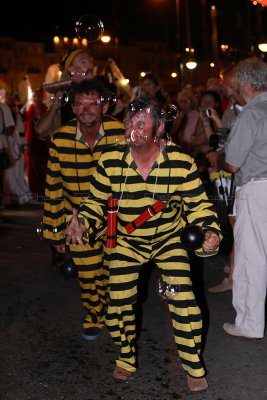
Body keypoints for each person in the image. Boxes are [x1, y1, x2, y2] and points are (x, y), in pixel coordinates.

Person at [62, 96, 221, 392]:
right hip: (127, 240)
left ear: (159, 128)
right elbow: (96, 202)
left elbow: (200, 208)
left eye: (140, 123)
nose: (131, 129)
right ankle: (126, 357)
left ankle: (193, 366)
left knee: (183, 300)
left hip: (168, 240)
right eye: (128, 123)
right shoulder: (110, 161)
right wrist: (82, 221)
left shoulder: (181, 163)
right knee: (119, 303)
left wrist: (209, 234)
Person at [42, 78, 125, 341]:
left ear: (105, 105)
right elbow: (53, 188)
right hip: (76, 219)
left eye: (93, 103)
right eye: (79, 104)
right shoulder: (60, 139)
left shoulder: (121, 133)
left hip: (116, 217)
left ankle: (114, 313)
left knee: (115, 272)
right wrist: (56, 231)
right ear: (73, 107)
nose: (86, 109)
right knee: (89, 274)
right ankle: (94, 315)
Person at [206, 57, 267, 340]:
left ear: (246, 84)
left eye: (236, 85)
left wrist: (215, 157)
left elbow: (232, 164)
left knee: (251, 259)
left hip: (256, 190)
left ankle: (249, 323)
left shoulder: (252, 113)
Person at [207, 66, 246, 293]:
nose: (227, 89)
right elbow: (226, 144)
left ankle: (234, 274)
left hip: (249, 177)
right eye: (225, 86)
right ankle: (233, 275)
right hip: (234, 178)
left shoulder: (254, 107)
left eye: (229, 85)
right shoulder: (231, 110)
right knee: (236, 227)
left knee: (241, 228)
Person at [35, 48, 94, 138]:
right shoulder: (64, 97)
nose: (90, 65)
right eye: (83, 62)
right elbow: (40, 130)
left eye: (90, 61)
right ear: (72, 70)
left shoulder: (101, 92)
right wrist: (55, 106)